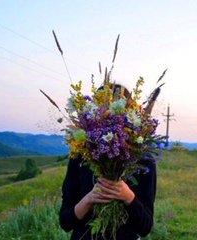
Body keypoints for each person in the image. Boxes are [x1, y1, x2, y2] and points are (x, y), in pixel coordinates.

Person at [59, 84, 157, 240]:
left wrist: (128, 196)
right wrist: (89, 199)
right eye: (101, 113)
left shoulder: (144, 159)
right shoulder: (80, 155)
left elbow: (145, 227)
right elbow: (65, 222)